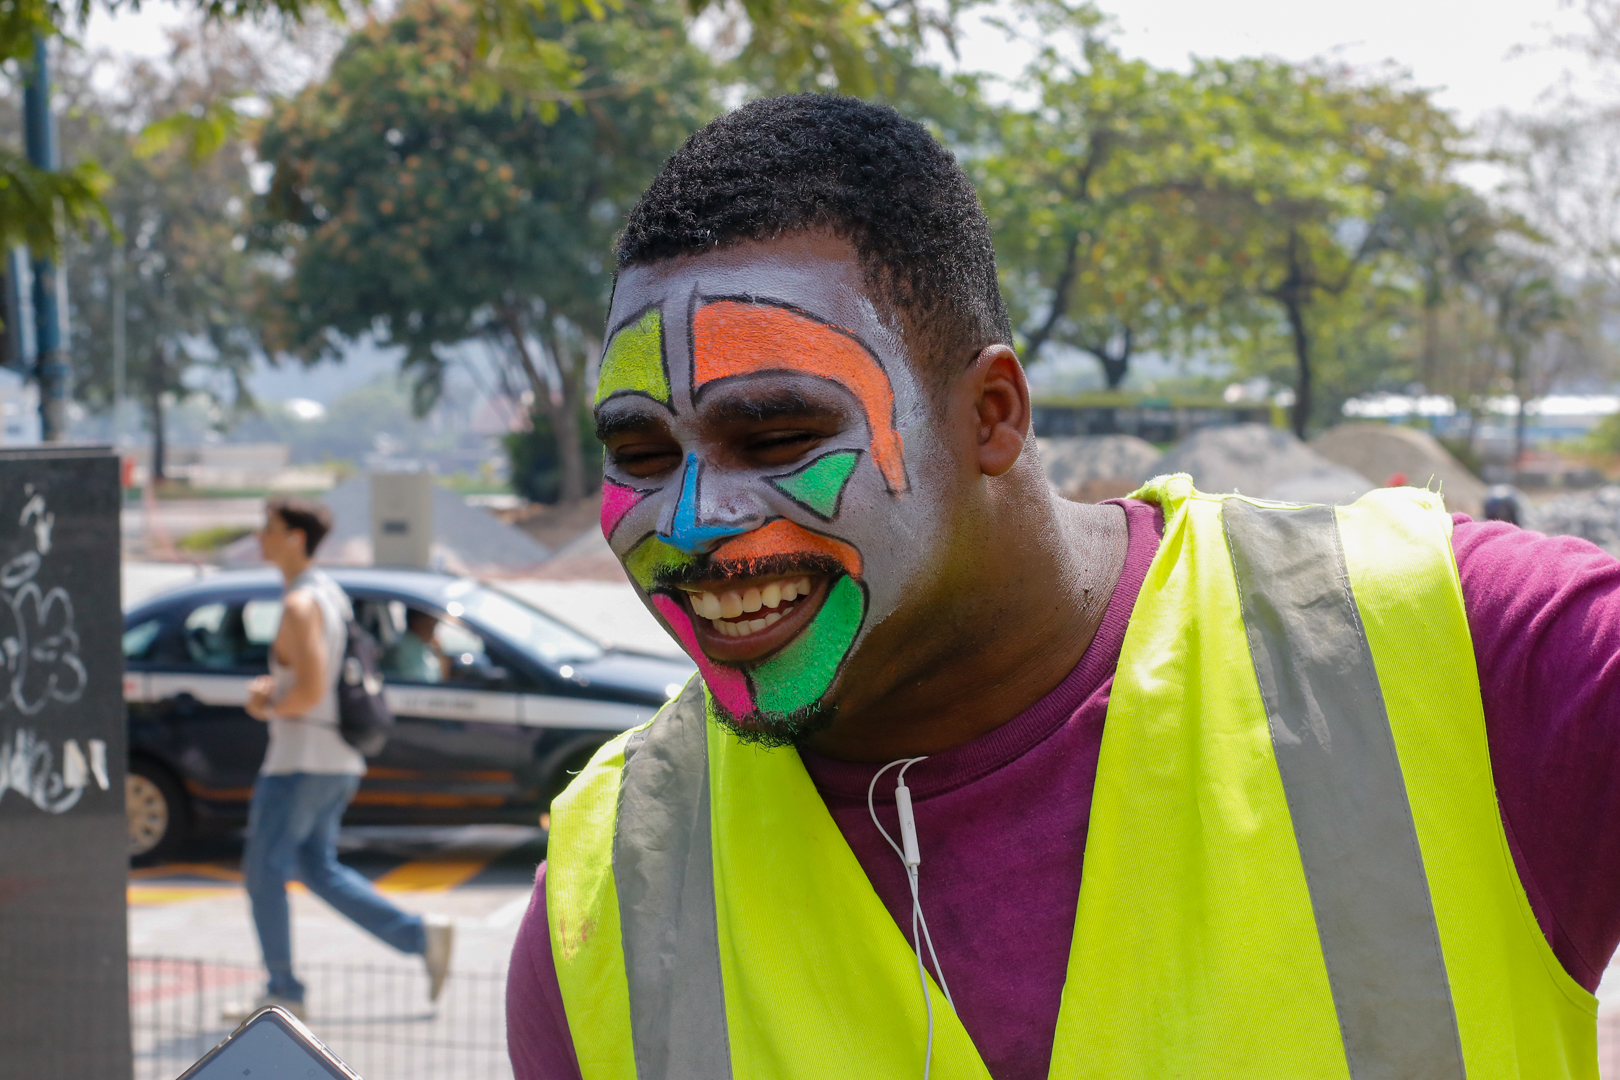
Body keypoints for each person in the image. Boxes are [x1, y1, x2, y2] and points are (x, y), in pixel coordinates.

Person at [507, 96, 1620, 1078]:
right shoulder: (605, 899)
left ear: (992, 417)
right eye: (644, 456)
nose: (693, 522)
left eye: (782, 434)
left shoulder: (1463, 655)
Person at [234, 496, 454, 1020]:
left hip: (300, 760)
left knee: (262, 873)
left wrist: (265, 703)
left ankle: (283, 989)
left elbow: (309, 690)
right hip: (334, 759)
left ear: (294, 537)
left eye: (268, 528)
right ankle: (421, 938)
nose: (260, 536)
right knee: (316, 867)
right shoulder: (326, 592)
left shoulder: (300, 604)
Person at [384, 608, 450, 684]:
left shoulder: (418, 644)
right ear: (418, 623)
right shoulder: (409, 648)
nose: (433, 630)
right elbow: (430, 682)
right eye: (432, 623)